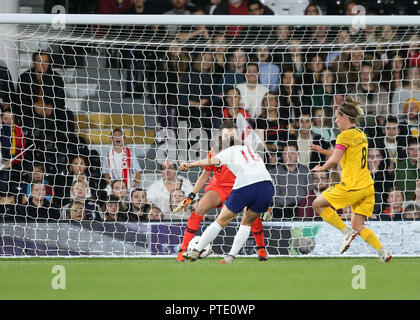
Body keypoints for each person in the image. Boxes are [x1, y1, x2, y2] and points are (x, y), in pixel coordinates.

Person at [174, 120, 269, 262]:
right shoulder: (214, 150)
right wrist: (191, 195)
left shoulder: (245, 150)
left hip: (240, 186)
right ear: (220, 136)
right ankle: (183, 249)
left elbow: (257, 175)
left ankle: (261, 248)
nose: (229, 138)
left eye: (232, 135)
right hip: (218, 187)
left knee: (250, 214)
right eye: (226, 135)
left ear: (238, 136)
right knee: (200, 207)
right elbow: (205, 174)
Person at [311, 96, 392, 262]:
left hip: (352, 186)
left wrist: (322, 167)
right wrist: (324, 151)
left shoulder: (344, 136)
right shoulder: (360, 134)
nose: (335, 121)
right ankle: (383, 252)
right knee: (358, 226)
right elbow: (345, 154)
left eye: (336, 118)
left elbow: (335, 160)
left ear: (344, 118)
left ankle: (345, 232)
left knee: (317, 204)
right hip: (367, 186)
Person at [269, 142, 312, 219]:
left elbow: (310, 192)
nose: (289, 156)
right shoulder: (274, 171)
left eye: (292, 153)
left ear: (297, 155)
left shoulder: (305, 171)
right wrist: (291, 203)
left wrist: (301, 203)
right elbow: (274, 196)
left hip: (302, 207)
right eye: (286, 153)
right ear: (282, 155)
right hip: (282, 209)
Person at [395, 137, 420, 202]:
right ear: (407, 150)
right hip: (405, 203)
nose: (415, 153)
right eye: (412, 149)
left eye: (418, 149)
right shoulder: (399, 166)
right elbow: (408, 188)